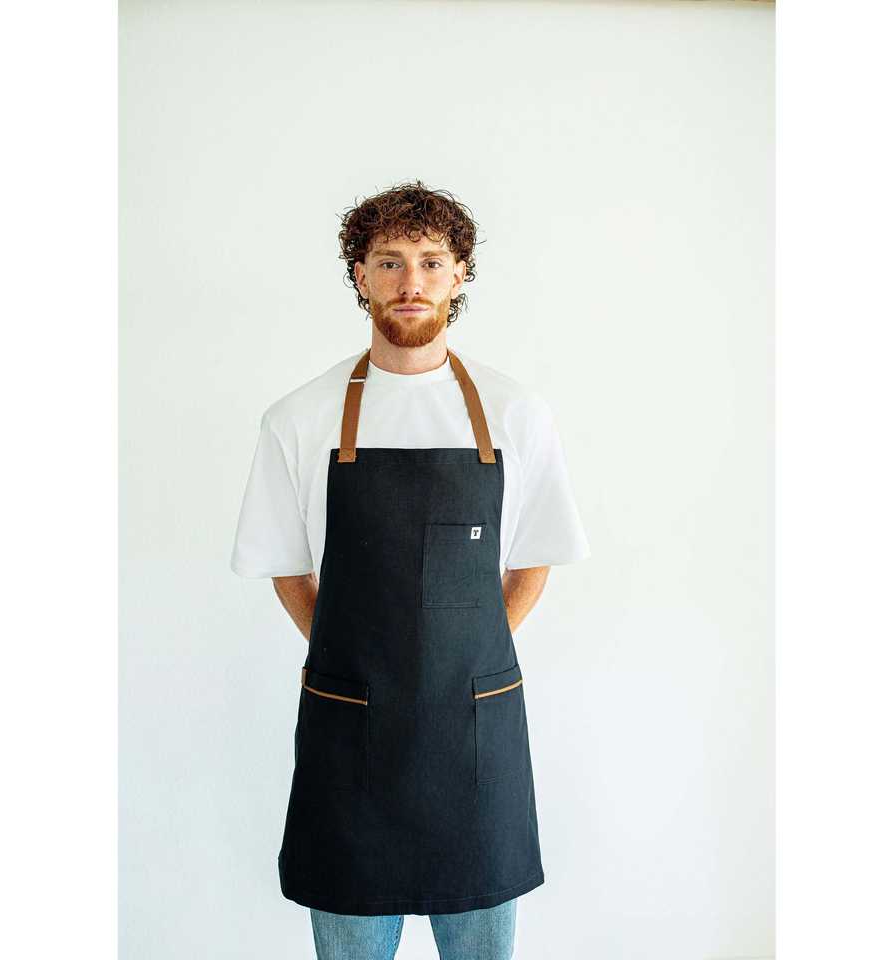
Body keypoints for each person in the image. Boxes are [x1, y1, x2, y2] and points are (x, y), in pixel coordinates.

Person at [231, 181, 590, 960]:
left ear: (460, 273)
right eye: (389, 261)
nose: (411, 282)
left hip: (475, 743)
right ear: (360, 275)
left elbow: (533, 561)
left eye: (431, 261)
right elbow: (287, 570)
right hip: (350, 743)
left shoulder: (516, 413)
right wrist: (360, 657)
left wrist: (464, 656)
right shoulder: (299, 418)